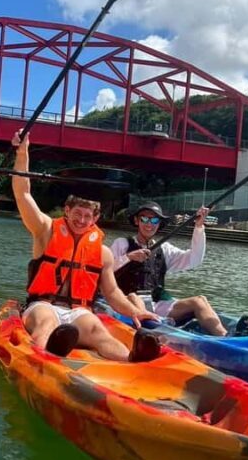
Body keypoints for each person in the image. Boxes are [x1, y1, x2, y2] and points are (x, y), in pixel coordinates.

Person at [11, 132, 159, 362]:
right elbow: (23, 194)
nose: (81, 220)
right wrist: (22, 152)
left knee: (98, 331)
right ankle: (44, 358)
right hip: (41, 305)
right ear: (67, 211)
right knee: (47, 321)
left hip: (79, 312)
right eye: (77, 214)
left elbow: (111, 293)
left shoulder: (103, 253)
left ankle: (132, 359)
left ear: (95, 218)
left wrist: (134, 311)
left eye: (87, 216)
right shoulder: (45, 231)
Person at [110, 201, 248, 337]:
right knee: (135, 298)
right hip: (127, 301)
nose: (149, 224)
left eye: (154, 221)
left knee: (199, 300)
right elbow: (105, 270)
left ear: (159, 224)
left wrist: (198, 227)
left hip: (156, 303)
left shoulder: (164, 249)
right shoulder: (122, 244)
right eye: (144, 219)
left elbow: (194, 259)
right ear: (136, 221)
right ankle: (155, 329)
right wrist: (129, 257)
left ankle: (225, 337)